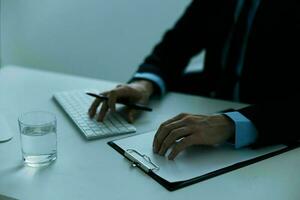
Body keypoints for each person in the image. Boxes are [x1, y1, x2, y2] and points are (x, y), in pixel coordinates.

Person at [89, 0, 300, 160]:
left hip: (277, 141)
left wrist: (231, 124)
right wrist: (144, 85)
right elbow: (174, 47)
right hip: (210, 116)